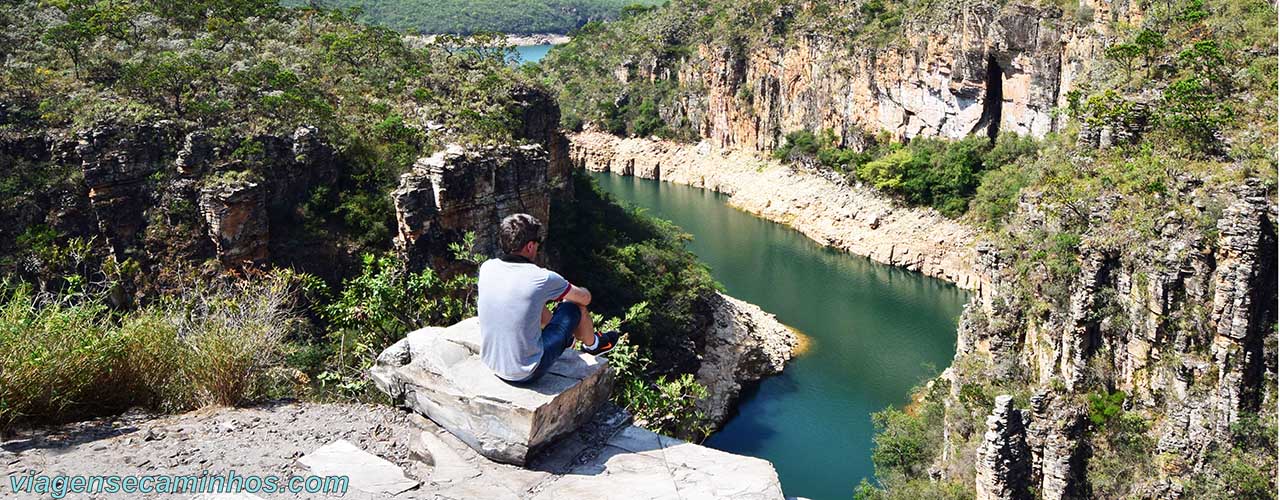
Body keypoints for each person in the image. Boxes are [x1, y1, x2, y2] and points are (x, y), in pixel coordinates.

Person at [478, 213, 621, 384]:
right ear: (530, 246)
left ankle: (567, 340)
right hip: (526, 373)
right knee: (574, 307)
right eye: (538, 243)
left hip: (492, 365)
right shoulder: (541, 278)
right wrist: (581, 290)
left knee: (531, 301)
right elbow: (585, 299)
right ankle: (594, 345)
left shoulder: (488, 267)